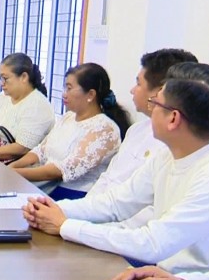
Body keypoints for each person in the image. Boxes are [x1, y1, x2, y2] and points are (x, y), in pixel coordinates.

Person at [22, 63, 209, 276]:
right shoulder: (168, 156)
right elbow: (117, 203)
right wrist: (52, 209)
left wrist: (65, 225)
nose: (151, 110)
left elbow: (153, 243)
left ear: (173, 119)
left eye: (155, 103)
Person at [9, 62, 129, 200]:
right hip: (49, 185)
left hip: (75, 195)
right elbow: (41, 151)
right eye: (65, 87)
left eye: (69, 88)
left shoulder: (104, 128)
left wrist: (15, 173)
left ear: (90, 94)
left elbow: (63, 170)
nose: (64, 94)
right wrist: (12, 167)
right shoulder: (68, 117)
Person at [88, 48, 198, 196]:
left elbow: (140, 201)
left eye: (138, 84)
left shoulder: (174, 145)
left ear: (161, 92)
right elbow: (108, 178)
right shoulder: (136, 130)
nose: (132, 90)